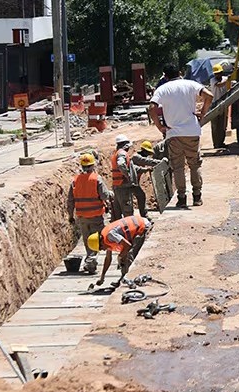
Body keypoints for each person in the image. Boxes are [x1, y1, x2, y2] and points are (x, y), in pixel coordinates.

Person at [148, 64, 212, 209]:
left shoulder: (162, 89)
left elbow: (152, 108)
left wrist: (159, 126)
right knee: (194, 164)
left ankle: (182, 198)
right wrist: (203, 113)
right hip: (192, 131)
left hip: (173, 134)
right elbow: (209, 96)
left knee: (178, 167)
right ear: (181, 73)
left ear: (165, 76)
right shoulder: (191, 84)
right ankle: (197, 197)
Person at [67, 152, 111, 274]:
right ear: (92, 165)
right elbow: (104, 195)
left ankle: (90, 260)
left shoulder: (75, 180)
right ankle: (91, 262)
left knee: (87, 240)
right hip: (95, 215)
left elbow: (70, 200)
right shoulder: (96, 179)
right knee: (96, 239)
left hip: (82, 216)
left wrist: (70, 215)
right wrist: (110, 194)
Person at [89, 214, 153, 286]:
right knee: (124, 256)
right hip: (138, 228)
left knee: (129, 256)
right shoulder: (105, 239)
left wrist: (120, 256)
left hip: (142, 227)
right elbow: (108, 259)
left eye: (100, 248)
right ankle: (123, 279)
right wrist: (102, 277)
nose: (103, 250)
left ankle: (129, 280)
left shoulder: (110, 235)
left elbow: (127, 245)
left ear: (100, 242)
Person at [110, 134, 141, 218]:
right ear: (125, 145)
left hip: (118, 185)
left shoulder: (116, 153)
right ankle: (130, 229)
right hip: (123, 185)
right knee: (127, 210)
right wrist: (127, 175)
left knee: (117, 210)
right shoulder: (122, 154)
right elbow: (121, 164)